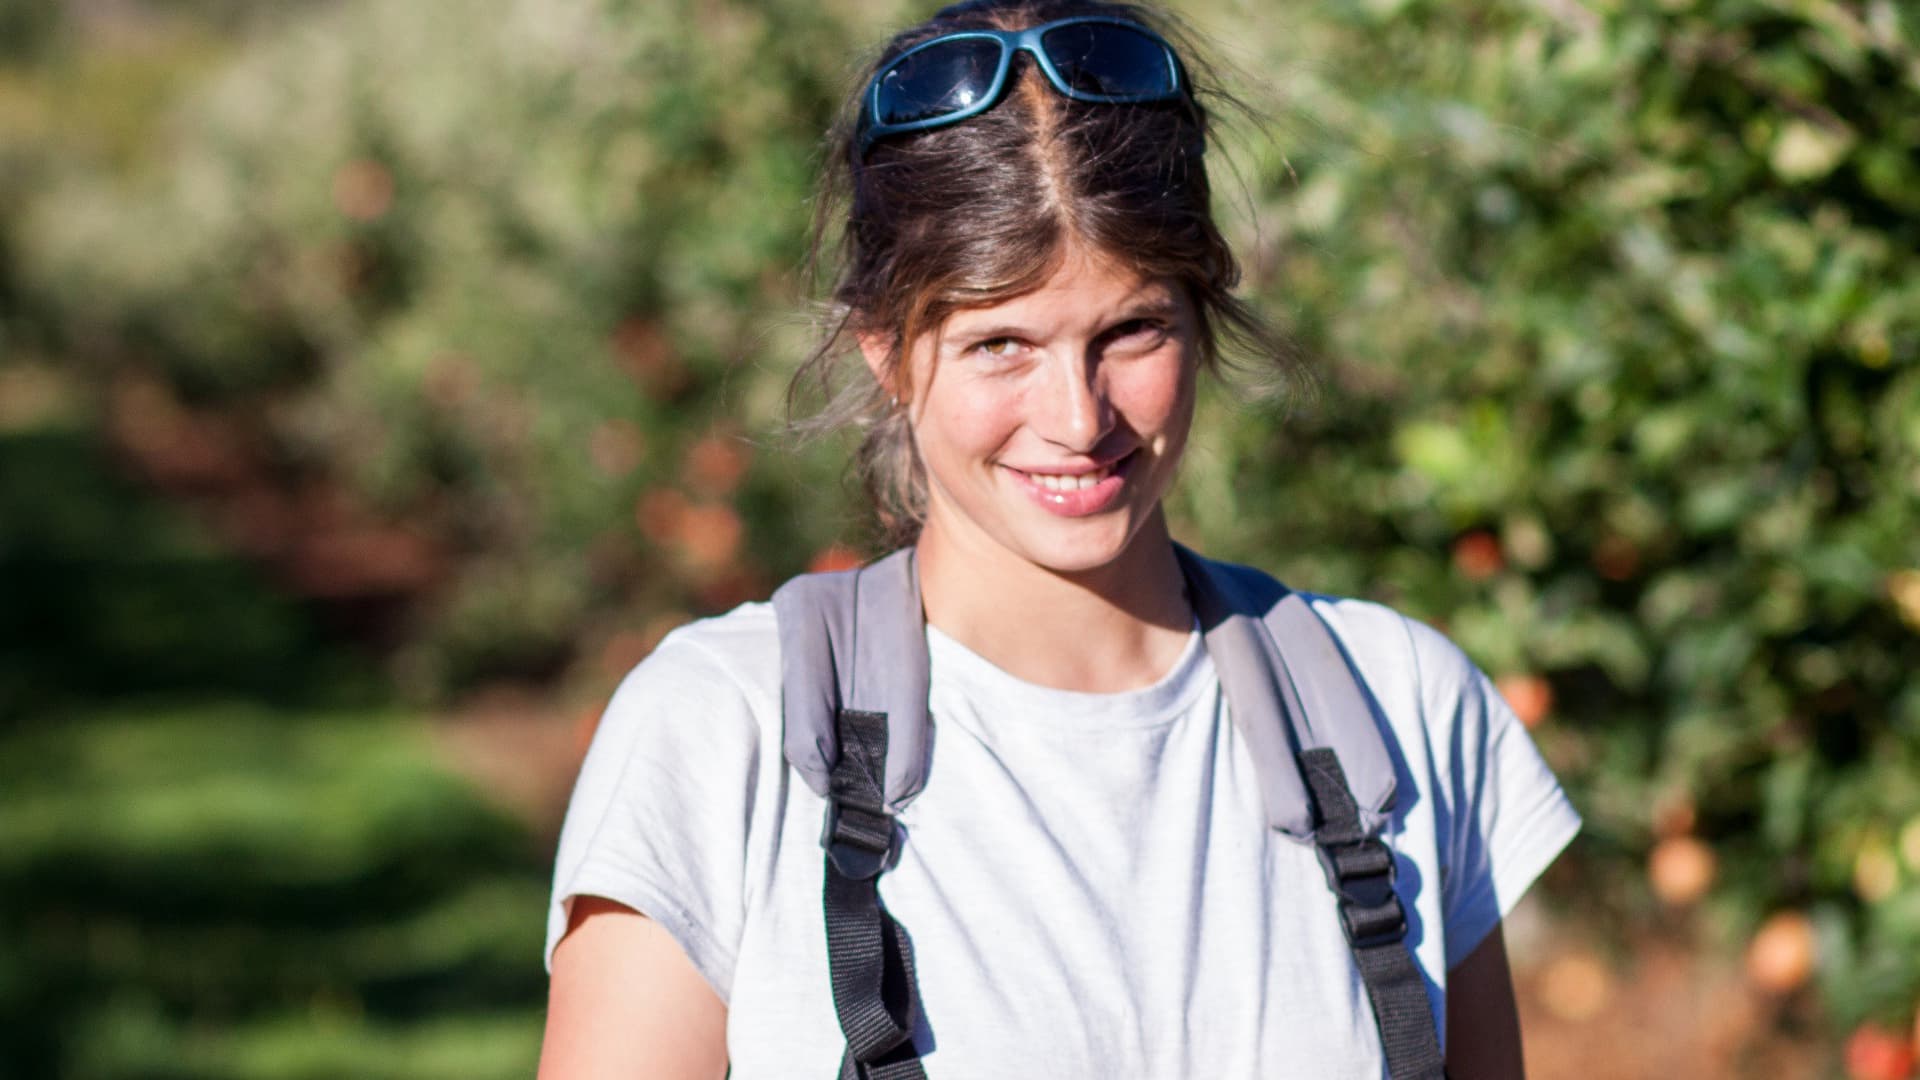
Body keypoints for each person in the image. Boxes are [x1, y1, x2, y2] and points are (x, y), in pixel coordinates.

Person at [537, 1, 1580, 1076]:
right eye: (1001, 344)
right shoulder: (726, 729)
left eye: (1131, 330)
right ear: (887, 350)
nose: (1078, 419)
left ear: (1202, 317)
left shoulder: (1398, 706)